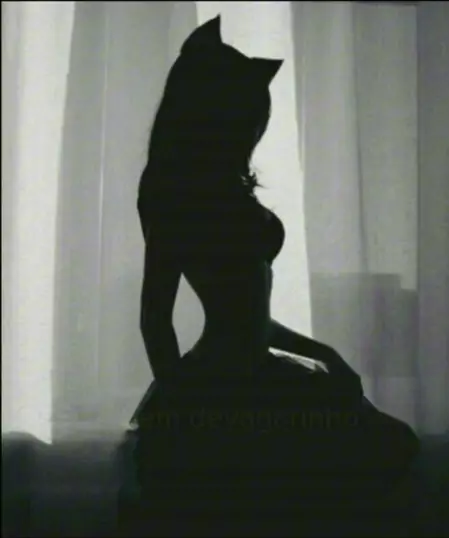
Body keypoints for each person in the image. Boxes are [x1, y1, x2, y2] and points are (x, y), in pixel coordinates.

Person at [122, 15, 420, 536]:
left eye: (258, 115)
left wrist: (325, 353)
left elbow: (243, 313)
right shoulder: (173, 191)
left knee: (382, 453)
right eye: (250, 116)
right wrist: (188, 411)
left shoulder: (225, 186)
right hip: (219, 387)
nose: (257, 127)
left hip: (252, 376)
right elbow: (154, 318)